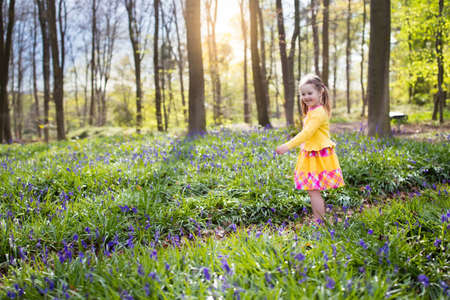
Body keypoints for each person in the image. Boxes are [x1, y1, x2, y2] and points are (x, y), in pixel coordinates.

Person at [276, 74, 345, 223]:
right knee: (312, 190)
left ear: (320, 92)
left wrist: (287, 146)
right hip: (313, 154)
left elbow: (307, 133)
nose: (306, 97)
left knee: (313, 191)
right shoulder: (313, 111)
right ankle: (319, 219)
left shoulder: (318, 113)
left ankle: (319, 221)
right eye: (303, 94)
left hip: (318, 156)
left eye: (309, 93)